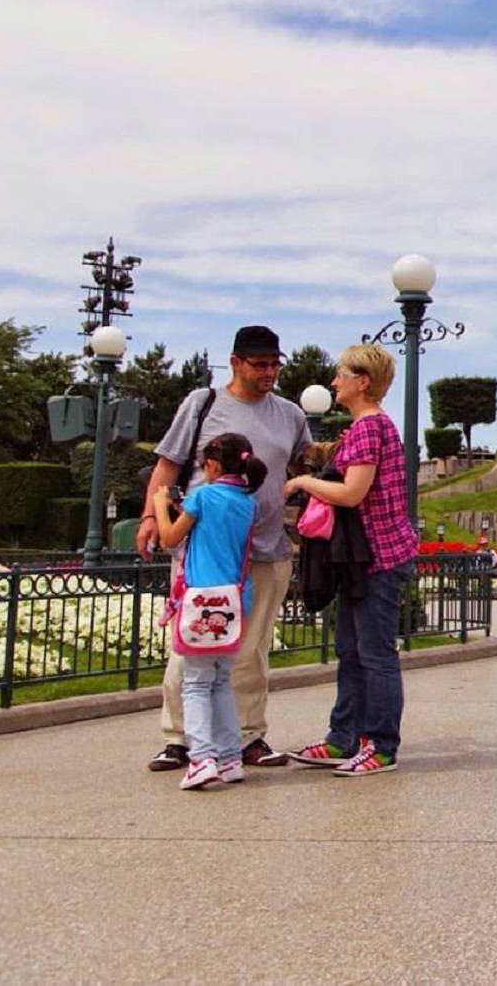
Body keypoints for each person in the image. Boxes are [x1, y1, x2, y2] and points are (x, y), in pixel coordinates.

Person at [140, 325, 309, 773]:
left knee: (250, 648)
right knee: (189, 645)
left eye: (275, 364)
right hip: (204, 552)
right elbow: (167, 466)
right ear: (235, 362)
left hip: (267, 546)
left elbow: (303, 463)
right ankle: (180, 739)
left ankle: (247, 737)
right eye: (260, 364)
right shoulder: (203, 404)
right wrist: (148, 517)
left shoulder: (290, 414)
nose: (269, 372)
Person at [281, 344, 420, 777]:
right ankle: (343, 738)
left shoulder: (367, 427)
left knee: (374, 654)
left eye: (341, 374)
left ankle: (380, 746)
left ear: (362, 381)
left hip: (376, 556)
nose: (334, 381)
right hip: (365, 557)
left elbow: (352, 493)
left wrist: (303, 481)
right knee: (352, 650)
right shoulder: (369, 427)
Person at [150, 433, 266, 790]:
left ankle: (201, 758)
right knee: (220, 682)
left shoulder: (202, 495)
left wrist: (159, 503)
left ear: (212, 465)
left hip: (201, 599)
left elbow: (170, 537)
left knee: (196, 684)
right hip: (234, 599)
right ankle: (230, 756)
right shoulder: (249, 502)